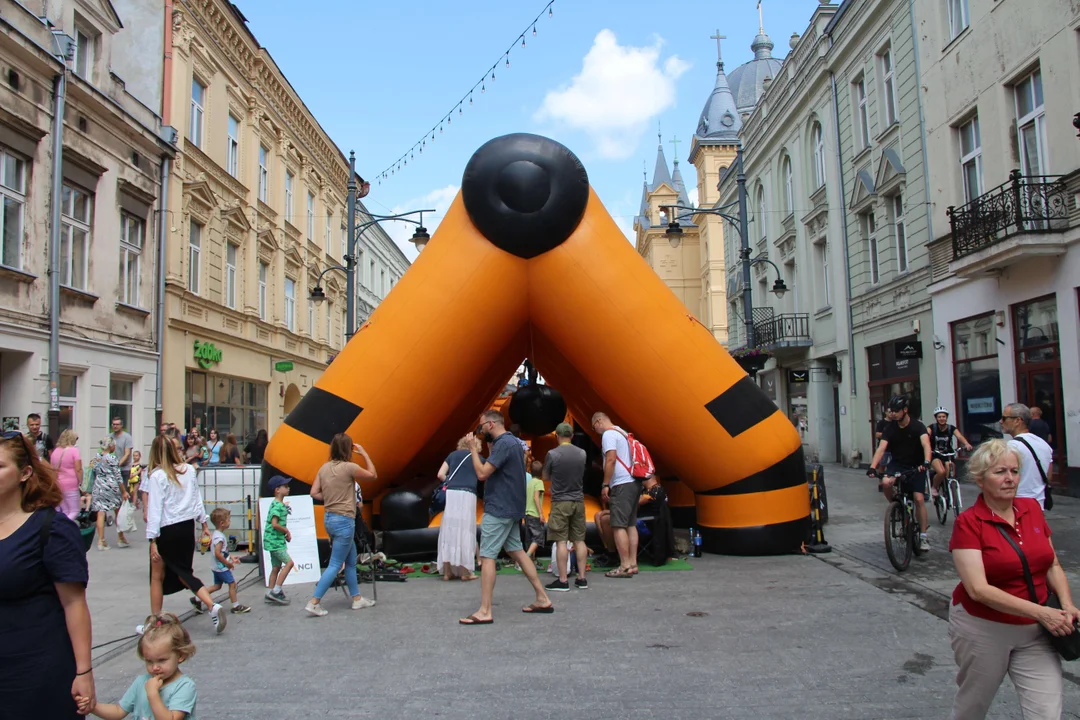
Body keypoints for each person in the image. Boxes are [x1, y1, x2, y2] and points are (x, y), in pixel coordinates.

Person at [948, 439, 1077, 718]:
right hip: (984, 628)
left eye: (1014, 471)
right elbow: (978, 589)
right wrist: (1043, 613)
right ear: (981, 480)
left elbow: (1051, 562)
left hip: (1037, 632)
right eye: (1000, 472)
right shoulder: (969, 523)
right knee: (973, 706)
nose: (1010, 479)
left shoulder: (1031, 508)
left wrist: (1066, 604)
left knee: (1046, 712)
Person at [0, 429, 95, 718]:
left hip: (37, 672)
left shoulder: (50, 528)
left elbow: (74, 603)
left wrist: (84, 671)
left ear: (25, 473)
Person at [459, 410, 553, 625]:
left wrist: (473, 449)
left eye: (482, 425)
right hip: (513, 507)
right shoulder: (514, 444)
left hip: (499, 507)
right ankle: (542, 597)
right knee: (517, 552)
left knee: (488, 555)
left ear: (491, 424)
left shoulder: (503, 444)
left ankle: (485, 610)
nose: (480, 429)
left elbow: (482, 473)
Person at [143, 434, 225, 635]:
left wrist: (152, 540)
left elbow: (155, 510)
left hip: (167, 529)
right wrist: (204, 522)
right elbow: (196, 498)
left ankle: (156, 620)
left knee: (157, 576)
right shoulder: (188, 470)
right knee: (183, 573)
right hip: (187, 527)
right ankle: (211, 605)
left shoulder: (157, 476)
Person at [305, 434, 377, 616]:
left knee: (350, 560)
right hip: (345, 519)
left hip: (330, 518)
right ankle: (314, 601)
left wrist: (330, 498)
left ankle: (357, 599)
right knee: (336, 564)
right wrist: (364, 453)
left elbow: (314, 492)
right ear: (348, 449)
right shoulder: (350, 467)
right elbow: (373, 475)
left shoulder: (324, 468)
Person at [84, 613, 197, 719]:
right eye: (149, 661)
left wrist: (153, 694)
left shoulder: (184, 686)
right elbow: (118, 711)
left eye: (161, 660)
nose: (155, 667)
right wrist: (92, 707)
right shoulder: (141, 682)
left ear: (180, 655)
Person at [867, 396, 933, 551]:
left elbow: (926, 445)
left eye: (896, 411)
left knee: (918, 499)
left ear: (905, 410)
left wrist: (927, 462)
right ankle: (896, 506)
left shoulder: (918, 427)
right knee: (885, 483)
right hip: (897, 464)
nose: (893, 414)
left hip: (917, 465)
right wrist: (872, 467)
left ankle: (923, 536)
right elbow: (881, 449)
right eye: (891, 411)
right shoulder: (890, 429)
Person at [592, 411, 641, 577]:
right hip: (633, 482)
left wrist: (605, 484)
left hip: (620, 483)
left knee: (618, 525)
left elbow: (611, 459)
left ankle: (624, 566)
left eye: (594, 427)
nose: (596, 431)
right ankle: (633, 563)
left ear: (599, 421)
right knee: (630, 524)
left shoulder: (609, 435)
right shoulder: (623, 432)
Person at [543, 422, 589, 592]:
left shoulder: (552, 454)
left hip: (560, 501)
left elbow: (546, 476)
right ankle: (582, 578)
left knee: (561, 540)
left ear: (557, 436)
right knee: (579, 540)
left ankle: (563, 580)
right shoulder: (582, 453)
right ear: (572, 436)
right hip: (578, 500)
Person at [435, 437, 481, 581]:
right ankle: (466, 572)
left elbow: (440, 474)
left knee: (450, 530)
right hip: (468, 494)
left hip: (452, 494)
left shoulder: (452, 455)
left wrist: (450, 482)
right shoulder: (478, 458)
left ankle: (447, 572)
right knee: (466, 530)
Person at [191, 508, 249, 615]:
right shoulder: (220, 538)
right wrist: (228, 563)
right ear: (222, 523)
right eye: (229, 520)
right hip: (221, 568)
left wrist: (230, 557)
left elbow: (223, 551)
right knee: (232, 584)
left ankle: (197, 598)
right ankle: (236, 606)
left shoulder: (216, 534)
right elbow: (218, 553)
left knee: (217, 586)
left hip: (216, 567)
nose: (230, 522)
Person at [1002, 403, 1054, 510]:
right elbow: (1049, 476)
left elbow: (1002, 478)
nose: (1001, 421)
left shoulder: (1012, 447)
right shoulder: (1044, 445)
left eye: (1004, 418)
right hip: (1038, 507)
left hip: (1017, 507)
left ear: (1017, 421)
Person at [90, 437, 129, 551]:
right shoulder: (112, 458)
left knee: (101, 513)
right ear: (110, 446)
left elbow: (94, 471)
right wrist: (124, 491)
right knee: (118, 511)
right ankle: (121, 538)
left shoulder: (97, 457)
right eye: (114, 445)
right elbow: (118, 476)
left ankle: (101, 540)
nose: (115, 447)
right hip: (111, 487)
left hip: (99, 486)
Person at [263, 475, 295, 605]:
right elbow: (274, 523)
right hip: (275, 542)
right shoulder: (278, 506)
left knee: (276, 567)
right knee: (289, 563)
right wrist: (286, 531)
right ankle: (276, 590)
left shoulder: (277, 504)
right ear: (277, 490)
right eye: (285, 486)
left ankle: (269, 593)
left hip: (273, 541)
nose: (288, 488)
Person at [928, 407, 973, 497]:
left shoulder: (951, 428)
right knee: (941, 472)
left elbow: (959, 437)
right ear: (936, 418)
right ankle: (934, 487)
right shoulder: (932, 428)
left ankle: (946, 486)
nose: (942, 418)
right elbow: (926, 436)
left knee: (950, 469)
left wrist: (966, 444)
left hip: (948, 454)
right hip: (935, 454)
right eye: (939, 417)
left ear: (946, 417)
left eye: (944, 416)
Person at [51, 430, 84, 520]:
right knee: (74, 511)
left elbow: (52, 468)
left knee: (65, 510)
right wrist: (81, 482)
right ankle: (64, 527)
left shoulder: (55, 451)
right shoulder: (74, 451)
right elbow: (78, 469)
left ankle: (60, 526)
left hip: (58, 484)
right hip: (71, 484)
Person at [524, 460, 546, 563]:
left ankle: (531, 561)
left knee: (530, 539)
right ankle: (527, 557)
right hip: (535, 514)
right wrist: (541, 513)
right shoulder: (539, 482)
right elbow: (536, 497)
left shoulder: (529, 483)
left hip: (527, 513)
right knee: (538, 537)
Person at [110, 418, 134, 486]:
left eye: (117, 424)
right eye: (113, 424)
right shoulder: (109, 437)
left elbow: (127, 454)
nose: (115, 426)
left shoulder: (127, 437)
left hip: (124, 469)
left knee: (123, 491)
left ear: (121, 425)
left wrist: (117, 465)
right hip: (112, 469)